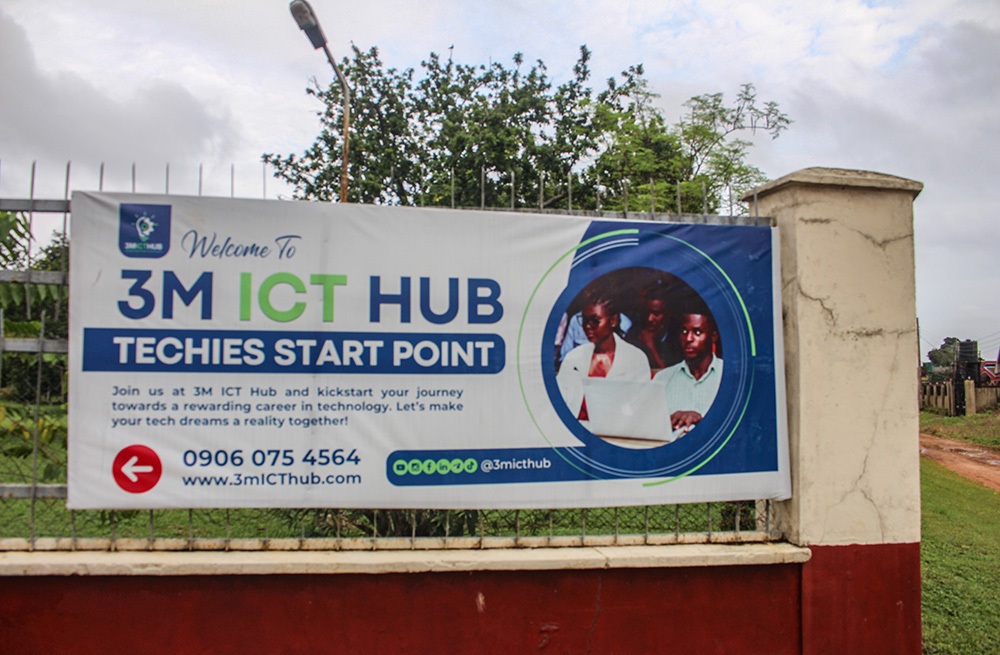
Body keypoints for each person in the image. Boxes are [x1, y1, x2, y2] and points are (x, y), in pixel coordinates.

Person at [557, 292, 650, 419]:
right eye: (584, 320)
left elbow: (641, 408)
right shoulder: (573, 357)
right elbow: (559, 400)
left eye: (595, 320)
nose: (587, 326)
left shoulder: (636, 358)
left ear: (614, 320)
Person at [653, 309, 723, 437]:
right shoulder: (662, 379)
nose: (688, 338)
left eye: (697, 332)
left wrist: (700, 420)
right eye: (684, 332)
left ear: (714, 336)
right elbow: (647, 427)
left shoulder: (730, 376)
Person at [624, 287, 680, 372]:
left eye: (656, 314)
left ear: (668, 313)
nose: (649, 319)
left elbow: (672, 376)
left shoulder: (676, 335)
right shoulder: (635, 332)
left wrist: (651, 347)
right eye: (646, 312)